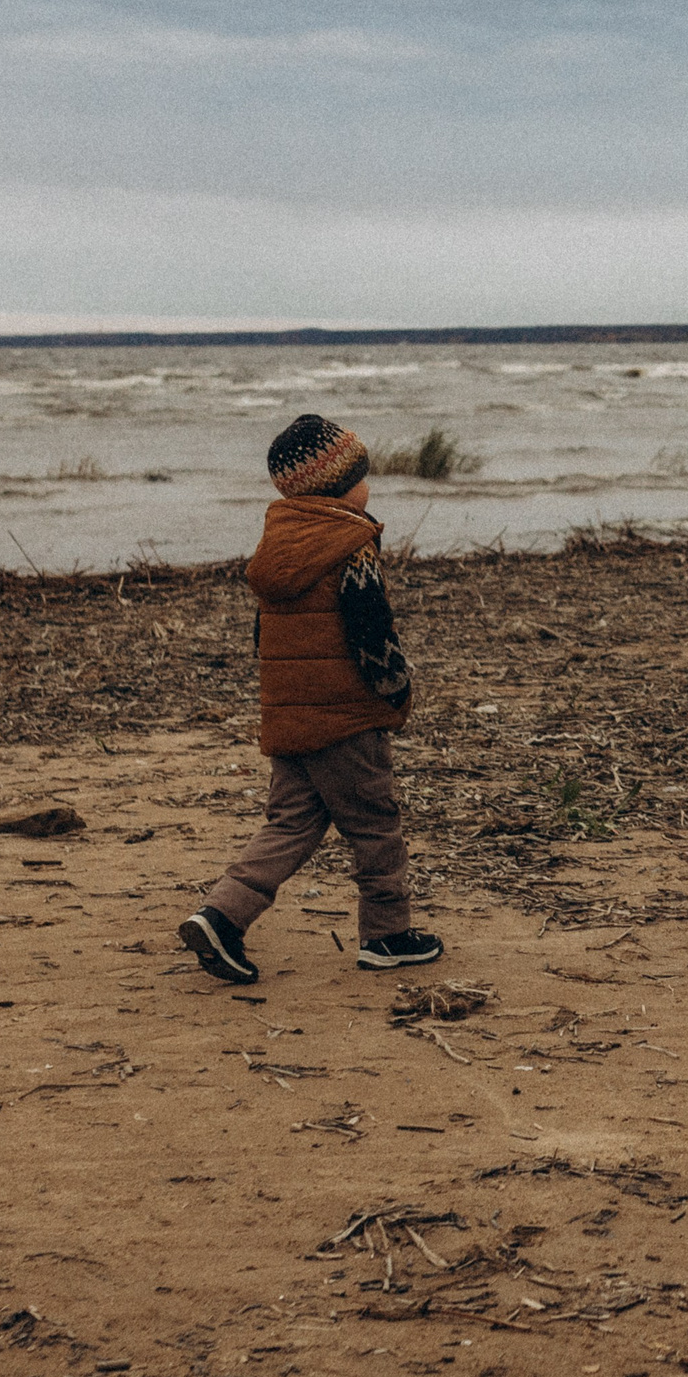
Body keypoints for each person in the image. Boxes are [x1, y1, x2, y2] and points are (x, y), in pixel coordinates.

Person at [179, 414, 443, 983]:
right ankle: (388, 935)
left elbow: (265, 637)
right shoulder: (352, 543)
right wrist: (396, 687)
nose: (368, 487)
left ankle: (222, 915)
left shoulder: (279, 544)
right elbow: (370, 629)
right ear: (341, 485)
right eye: (362, 476)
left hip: (290, 714)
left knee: (292, 822)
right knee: (375, 825)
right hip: (345, 717)